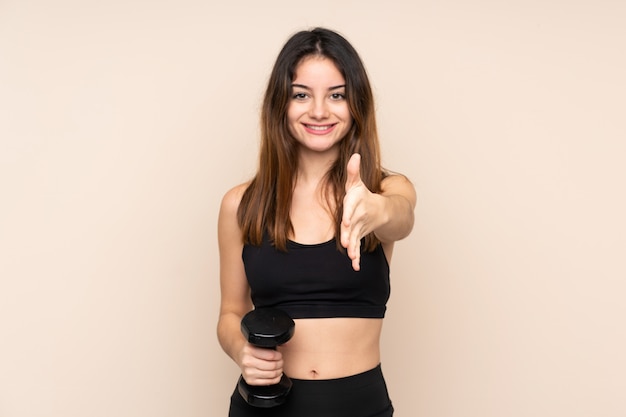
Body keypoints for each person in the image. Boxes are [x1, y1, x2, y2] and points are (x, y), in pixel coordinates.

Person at [217, 27, 416, 417]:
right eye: (301, 94)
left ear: (356, 104)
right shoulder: (241, 204)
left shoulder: (384, 190)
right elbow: (230, 313)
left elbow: (401, 217)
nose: (320, 111)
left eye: (337, 95)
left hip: (360, 407)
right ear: (281, 104)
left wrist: (376, 209)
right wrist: (242, 350)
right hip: (264, 407)